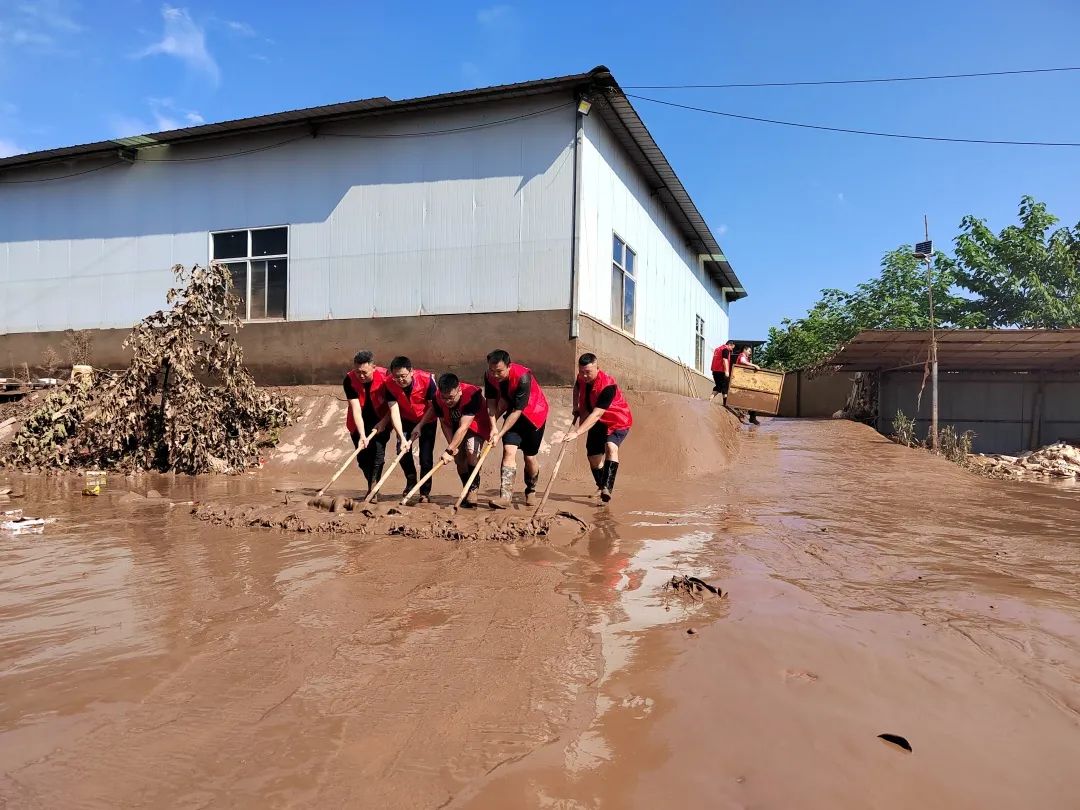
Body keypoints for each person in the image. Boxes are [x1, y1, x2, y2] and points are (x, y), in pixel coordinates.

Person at [415, 373, 493, 508]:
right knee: (459, 459)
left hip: (476, 424)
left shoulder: (471, 395)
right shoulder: (437, 398)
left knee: (470, 449)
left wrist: (448, 450)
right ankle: (466, 488)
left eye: (451, 397)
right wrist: (452, 446)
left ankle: (473, 489)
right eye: (444, 398)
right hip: (455, 426)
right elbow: (444, 423)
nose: (447, 402)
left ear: (459, 390)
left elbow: (464, 427)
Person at [484, 349, 550, 509]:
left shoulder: (523, 377)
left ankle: (531, 489)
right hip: (513, 414)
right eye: (492, 371)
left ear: (509, 366)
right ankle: (505, 497)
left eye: (499, 371)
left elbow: (517, 411)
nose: (495, 375)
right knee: (508, 451)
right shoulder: (489, 376)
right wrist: (493, 427)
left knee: (529, 457)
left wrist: (500, 433)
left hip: (534, 416)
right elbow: (491, 402)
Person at [563, 353, 633, 503]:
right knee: (593, 458)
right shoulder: (581, 376)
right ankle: (601, 486)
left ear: (597, 368)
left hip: (617, 420)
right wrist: (576, 406)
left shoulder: (608, 386)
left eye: (588, 372)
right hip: (597, 421)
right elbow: (577, 388)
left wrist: (577, 432)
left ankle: (607, 488)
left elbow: (597, 413)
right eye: (582, 371)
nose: (585, 375)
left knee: (611, 446)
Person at [383, 356, 438, 501]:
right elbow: (394, 411)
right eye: (396, 377)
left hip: (427, 420)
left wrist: (420, 425)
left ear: (411, 371)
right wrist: (402, 436)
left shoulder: (426, 380)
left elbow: (434, 407)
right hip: (406, 419)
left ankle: (424, 492)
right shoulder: (389, 384)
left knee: (425, 458)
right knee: (402, 449)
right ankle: (411, 481)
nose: (400, 380)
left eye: (403, 376)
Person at [343, 350, 391, 501]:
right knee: (363, 459)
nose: (361, 376)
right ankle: (371, 484)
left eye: (364, 372)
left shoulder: (387, 377)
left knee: (377, 455)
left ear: (374, 367)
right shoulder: (349, 380)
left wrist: (383, 422)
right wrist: (362, 435)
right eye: (358, 372)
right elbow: (356, 409)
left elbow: (394, 406)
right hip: (358, 422)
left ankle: (373, 489)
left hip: (381, 419)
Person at [734, 345, 762, 425]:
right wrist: (754, 365)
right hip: (741, 381)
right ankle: (752, 418)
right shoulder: (742, 356)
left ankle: (752, 417)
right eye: (749, 351)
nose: (750, 353)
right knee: (751, 398)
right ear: (744, 350)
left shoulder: (745, 357)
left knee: (751, 398)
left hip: (743, 381)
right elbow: (742, 361)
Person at [710, 339, 735, 403]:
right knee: (725, 387)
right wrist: (727, 371)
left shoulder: (717, 349)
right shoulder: (725, 349)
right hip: (722, 371)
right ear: (729, 345)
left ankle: (710, 399)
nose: (732, 350)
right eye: (732, 348)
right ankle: (725, 403)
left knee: (718, 386)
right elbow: (725, 360)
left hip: (715, 371)